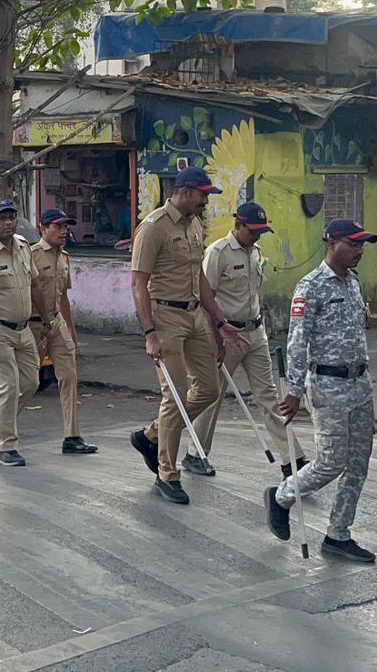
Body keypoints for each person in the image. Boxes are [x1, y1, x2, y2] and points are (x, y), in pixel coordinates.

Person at [127, 167, 246, 504]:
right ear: (187, 191)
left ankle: (152, 435)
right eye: (203, 193)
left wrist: (219, 321)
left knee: (209, 389)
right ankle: (167, 472)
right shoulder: (152, 228)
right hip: (164, 316)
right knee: (175, 394)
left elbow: (201, 280)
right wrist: (149, 331)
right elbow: (138, 283)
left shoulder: (194, 224)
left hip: (194, 314)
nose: (207, 199)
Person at [263, 219, 377, 563]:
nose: (359, 251)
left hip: (360, 383)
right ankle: (282, 496)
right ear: (332, 243)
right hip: (327, 386)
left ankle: (338, 534)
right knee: (331, 462)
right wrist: (295, 390)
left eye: (362, 245)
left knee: (358, 463)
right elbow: (297, 341)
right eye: (353, 244)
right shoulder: (310, 286)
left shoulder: (353, 283)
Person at [189, 201, 299, 477]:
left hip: (255, 332)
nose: (257, 236)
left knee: (269, 395)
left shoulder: (255, 251)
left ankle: (292, 459)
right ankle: (196, 453)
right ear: (238, 225)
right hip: (226, 334)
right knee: (211, 395)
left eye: (261, 231)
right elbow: (205, 298)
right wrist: (214, 339)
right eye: (253, 231)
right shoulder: (218, 254)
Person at [0, 199, 55, 468]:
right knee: (8, 385)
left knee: (30, 382)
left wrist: (46, 320)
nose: (7, 223)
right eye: (1, 218)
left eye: (12, 218)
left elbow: (35, 285)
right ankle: (6, 446)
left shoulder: (23, 247)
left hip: (23, 327)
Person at [31, 208, 96, 456]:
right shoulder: (32, 255)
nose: (63, 231)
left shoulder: (64, 256)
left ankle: (72, 435)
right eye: (57, 226)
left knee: (69, 377)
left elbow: (64, 296)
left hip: (57, 322)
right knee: (27, 382)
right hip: (33, 323)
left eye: (65, 227)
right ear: (43, 229)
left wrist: (70, 327)